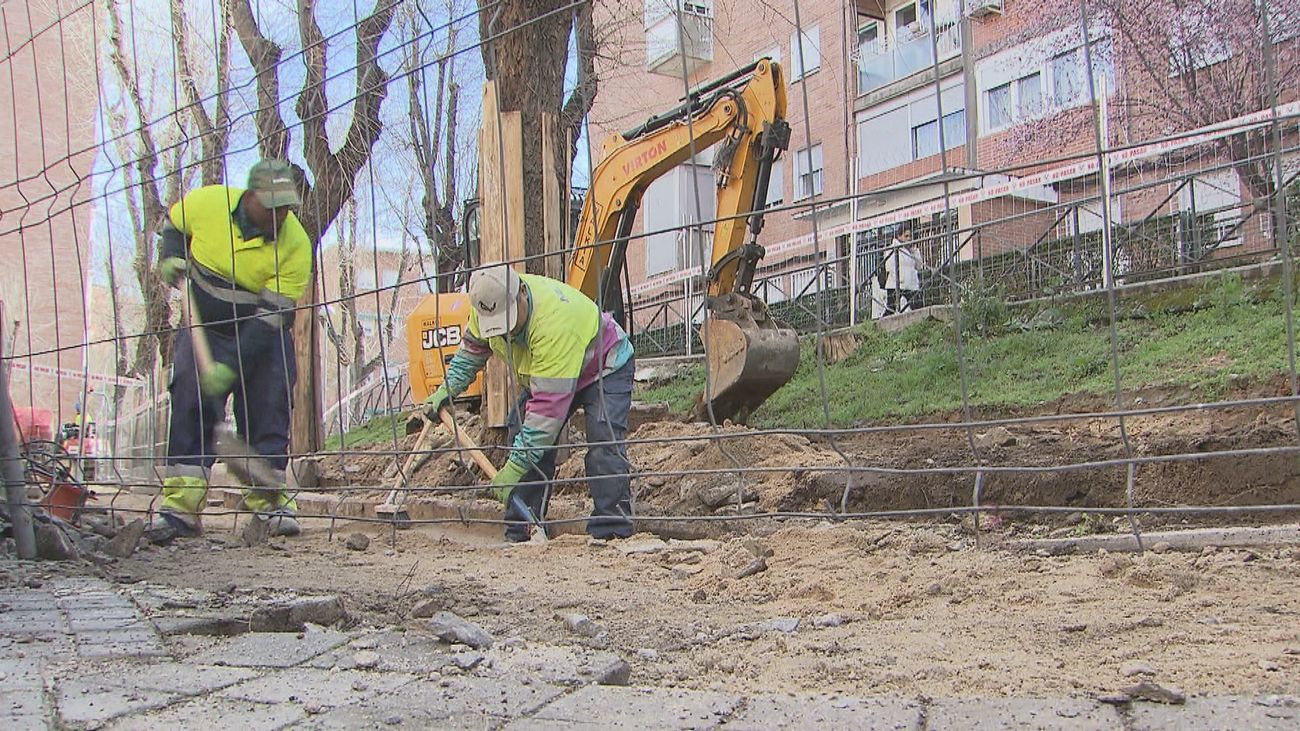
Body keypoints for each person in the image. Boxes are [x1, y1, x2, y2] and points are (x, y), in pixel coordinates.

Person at [146, 159, 310, 544]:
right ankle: (181, 508)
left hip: (261, 331)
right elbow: (173, 225)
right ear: (250, 197)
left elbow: (268, 323)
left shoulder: (296, 246)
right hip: (204, 326)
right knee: (190, 398)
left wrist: (229, 367)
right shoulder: (207, 204)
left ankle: (269, 504)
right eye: (272, 207)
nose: (280, 216)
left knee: (270, 400)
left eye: (286, 208)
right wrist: (172, 254)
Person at [424, 266, 636, 542]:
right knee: (520, 429)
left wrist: (514, 469)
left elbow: (545, 415)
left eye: (509, 320)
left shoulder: (554, 324)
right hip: (550, 373)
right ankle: (523, 529)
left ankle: (612, 532)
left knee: (603, 440)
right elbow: (472, 351)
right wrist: (447, 389)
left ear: (521, 292)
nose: (506, 332)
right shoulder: (487, 305)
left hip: (604, 364)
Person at [882, 223, 925, 315]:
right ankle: (881, 323)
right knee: (891, 308)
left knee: (917, 305)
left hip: (911, 284)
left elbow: (919, 266)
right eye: (906, 236)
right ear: (899, 236)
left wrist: (915, 252)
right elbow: (888, 266)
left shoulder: (911, 250)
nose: (909, 238)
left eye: (910, 236)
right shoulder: (892, 249)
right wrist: (899, 278)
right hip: (896, 284)